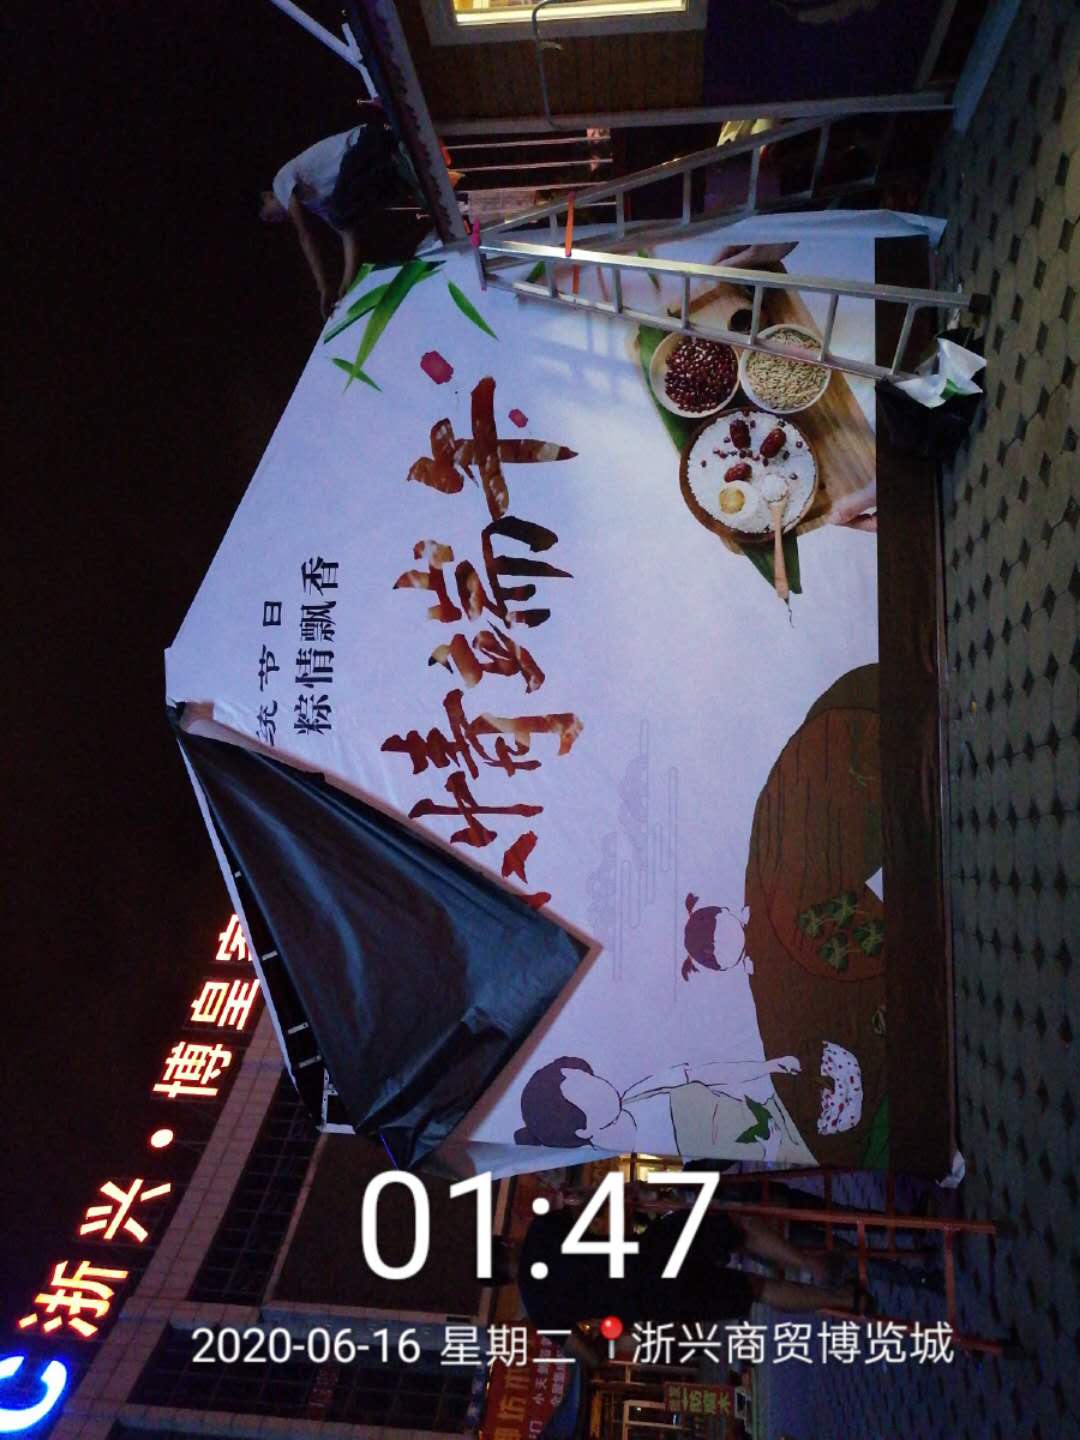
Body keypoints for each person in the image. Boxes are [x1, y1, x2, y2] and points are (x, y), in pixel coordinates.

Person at [490, 1190, 864, 1358]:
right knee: (738, 1230)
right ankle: (813, 1265)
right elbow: (586, 1206)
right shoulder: (541, 1233)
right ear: (506, 1244)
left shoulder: (541, 1313)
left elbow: (589, 1356)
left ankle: (846, 1299)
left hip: (655, 1302)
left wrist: (610, 1327)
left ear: (501, 1281)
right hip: (651, 1252)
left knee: (755, 1289)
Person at [515, 1053, 816, 1165]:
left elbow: (706, 1073)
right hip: (788, 1146)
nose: (599, 1082)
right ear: (582, 1129)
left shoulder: (636, 1095)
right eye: (585, 1089)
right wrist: (771, 1151)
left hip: (778, 1109)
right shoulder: (651, 1156)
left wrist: (766, 1067)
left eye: (587, 1075)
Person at [259, 104, 412, 319]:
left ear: (267, 196)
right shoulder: (314, 203)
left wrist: (323, 287)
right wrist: (346, 283)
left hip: (365, 142)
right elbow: (347, 234)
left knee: (339, 211)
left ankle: (395, 169)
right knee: (343, 215)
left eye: (268, 215)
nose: (275, 220)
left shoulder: (280, 183)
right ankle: (399, 178)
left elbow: (305, 236)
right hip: (368, 157)